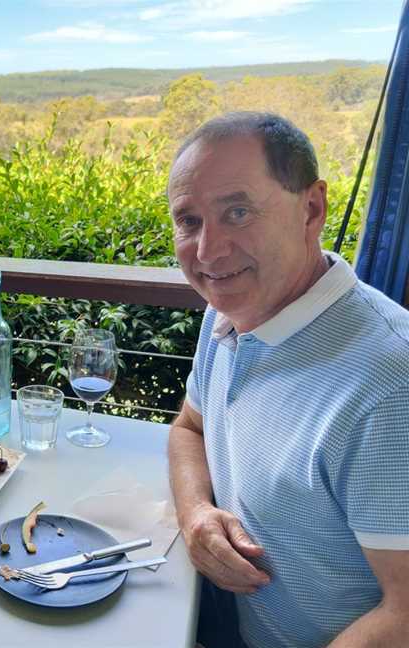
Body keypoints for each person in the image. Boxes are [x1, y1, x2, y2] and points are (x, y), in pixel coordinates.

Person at [167, 112, 409, 647]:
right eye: (189, 221)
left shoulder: (393, 382)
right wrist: (195, 513)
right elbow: (189, 428)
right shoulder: (225, 315)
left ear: (312, 208)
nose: (209, 251)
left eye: (237, 211)